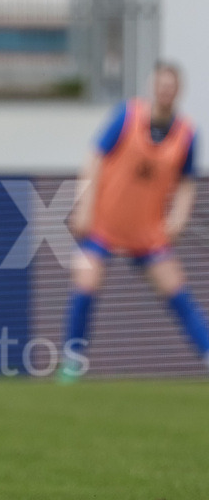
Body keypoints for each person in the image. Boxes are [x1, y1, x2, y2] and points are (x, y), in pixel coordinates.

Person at [62, 60, 209, 380]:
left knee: (177, 290)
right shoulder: (127, 117)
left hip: (147, 231)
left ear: (178, 91)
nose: (165, 90)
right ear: (151, 86)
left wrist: (179, 217)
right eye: (160, 84)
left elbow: (186, 181)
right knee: (86, 281)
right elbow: (94, 158)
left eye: (171, 86)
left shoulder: (186, 134)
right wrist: (84, 205)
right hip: (105, 223)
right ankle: (72, 361)